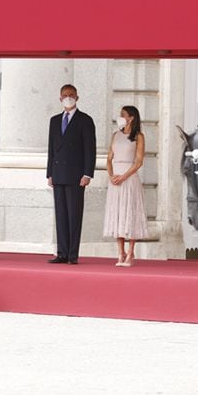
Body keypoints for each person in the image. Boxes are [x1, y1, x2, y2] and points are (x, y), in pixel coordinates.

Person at [47, 84, 97, 265]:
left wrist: (87, 174)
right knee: (60, 215)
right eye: (65, 95)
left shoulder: (85, 120)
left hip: (76, 175)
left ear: (77, 97)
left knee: (74, 215)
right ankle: (62, 252)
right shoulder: (54, 120)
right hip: (58, 173)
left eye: (71, 95)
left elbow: (89, 149)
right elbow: (51, 148)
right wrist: (49, 173)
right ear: (60, 99)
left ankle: (72, 254)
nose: (68, 98)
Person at [103, 106, 148, 267]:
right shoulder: (115, 135)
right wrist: (111, 175)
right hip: (115, 178)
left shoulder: (138, 137)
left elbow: (139, 161)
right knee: (118, 213)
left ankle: (130, 252)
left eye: (123, 115)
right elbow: (109, 158)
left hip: (129, 177)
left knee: (130, 212)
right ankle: (120, 252)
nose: (120, 117)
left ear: (131, 118)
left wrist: (123, 176)